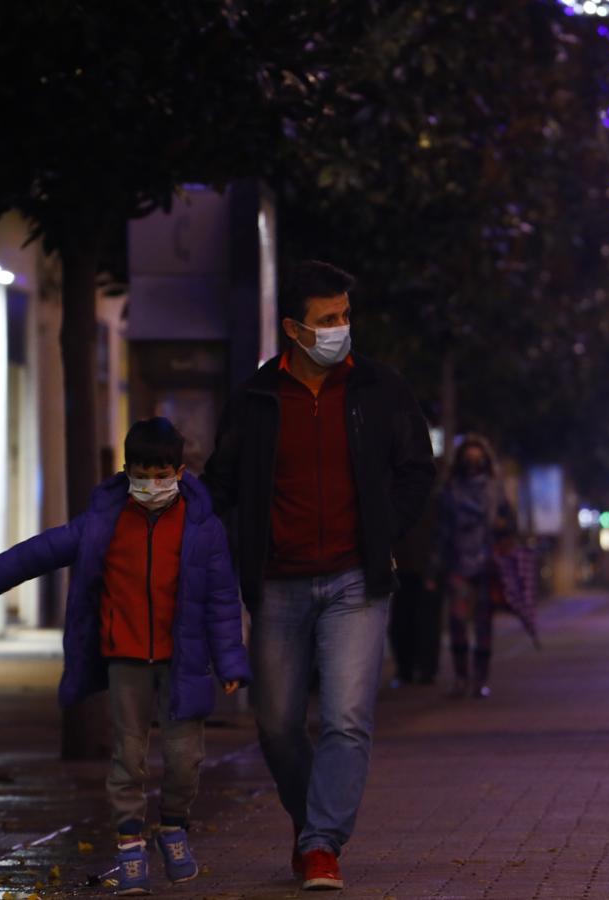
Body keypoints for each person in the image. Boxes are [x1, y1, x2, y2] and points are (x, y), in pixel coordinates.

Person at [204, 260, 435, 892]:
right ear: (293, 329)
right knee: (276, 724)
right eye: (326, 319)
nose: (340, 329)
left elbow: (418, 469)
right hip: (277, 581)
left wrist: (386, 531)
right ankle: (313, 830)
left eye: (345, 316)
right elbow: (220, 484)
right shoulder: (256, 399)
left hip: (356, 580)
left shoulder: (380, 390)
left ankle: (322, 844)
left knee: (346, 718)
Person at [0, 418, 250, 895]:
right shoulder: (106, 521)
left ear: (179, 471)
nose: (152, 485)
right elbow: (44, 549)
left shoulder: (203, 528)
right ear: (126, 470)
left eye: (162, 474)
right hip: (126, 657)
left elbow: (221, 600)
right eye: (142, 473)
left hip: (184, 661)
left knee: (184, 759)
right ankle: (131, 843)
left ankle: (173, 826)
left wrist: (232, 663)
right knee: (128, 759)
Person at [437, 435, 514, 699]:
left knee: (483, 623)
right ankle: (461, 677)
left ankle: (480, 679)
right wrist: (436, 566)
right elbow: (443, 531)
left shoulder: (494, 490)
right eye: (468, 460)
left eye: (478, 460)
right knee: (458, 621)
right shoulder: (450, 490)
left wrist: (501, 528)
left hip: (487, 564)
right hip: (459, 562)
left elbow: (509, 524)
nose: (473, 465)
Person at [388, 480, 443, 687]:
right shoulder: (395, 491)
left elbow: (441, 531)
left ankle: (425, 669)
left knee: (426, 620)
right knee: (402, 620)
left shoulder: (435, 495)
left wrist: (435, 564)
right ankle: (405, 669)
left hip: (427, 566)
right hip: (402, 566)